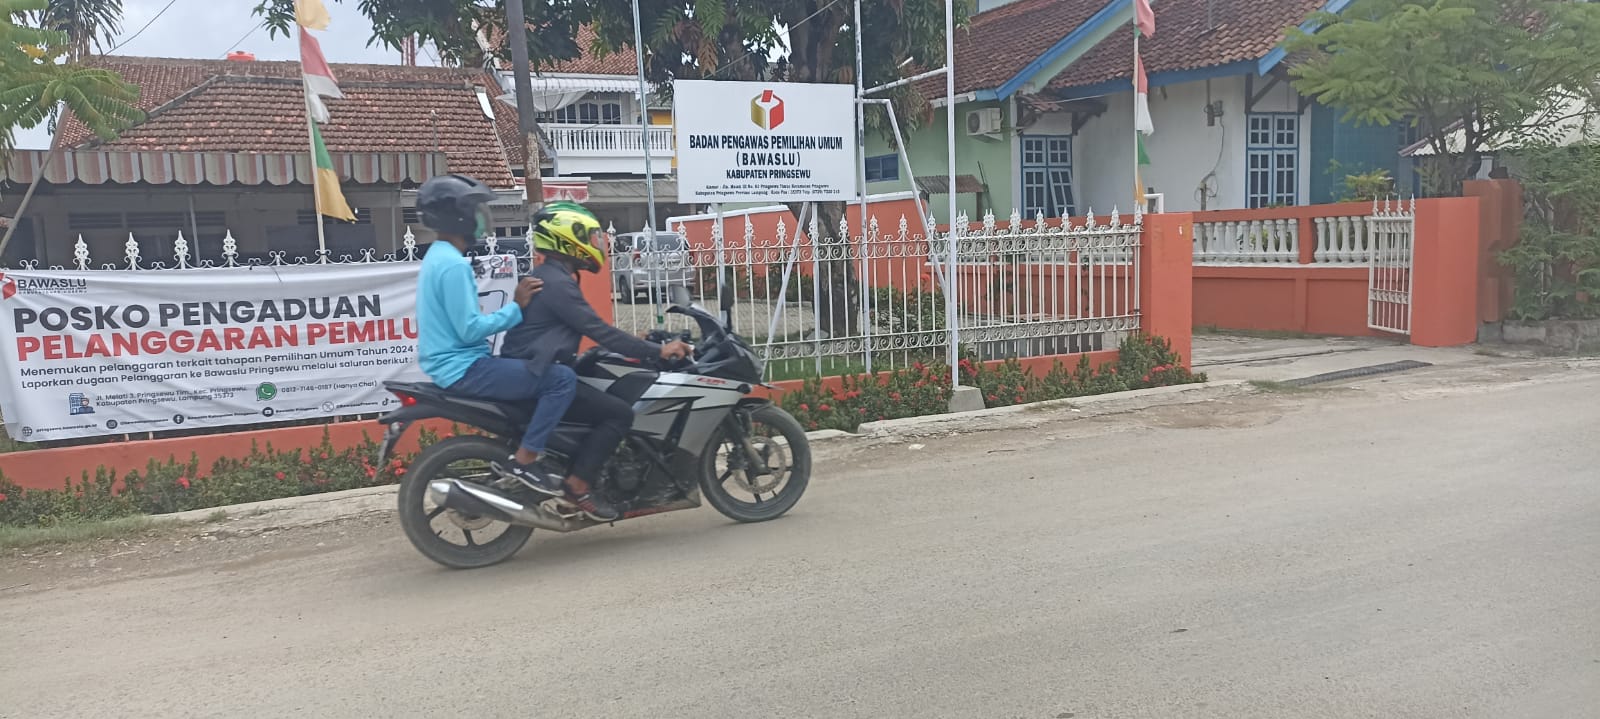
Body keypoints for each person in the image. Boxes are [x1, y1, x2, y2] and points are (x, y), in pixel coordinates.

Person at [499, 203, 691, 522]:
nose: (595, 243)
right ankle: (577, 487)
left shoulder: (553, 276)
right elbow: (599, 330)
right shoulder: (556, 283)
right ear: (566, 239)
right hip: (539, 374)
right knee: (618, 413)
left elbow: (586, 329)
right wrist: (657, 351)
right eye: (588, 236)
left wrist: (639, 341)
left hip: (540, 367)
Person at [413, 174, 573, 498]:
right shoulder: (453, 266)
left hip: (454, 365)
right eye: (474, 211)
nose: (481, 219)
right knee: (562, 380)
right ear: (457, 216)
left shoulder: (437, 257)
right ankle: (525, 461)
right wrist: (517, 306)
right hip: (464, 368)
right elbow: (469, 328)